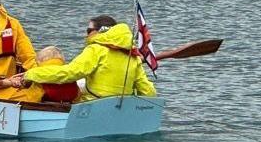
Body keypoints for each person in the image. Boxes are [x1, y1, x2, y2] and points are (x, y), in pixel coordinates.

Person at [8, 15, 157, 102]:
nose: (86, 35)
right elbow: (148, 91)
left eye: (89, 30)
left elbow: (69, 73)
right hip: (121, 107)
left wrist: (32, 74)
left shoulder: (96, 49)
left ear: (101, 32)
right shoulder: (133, 56)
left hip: (93, 106)